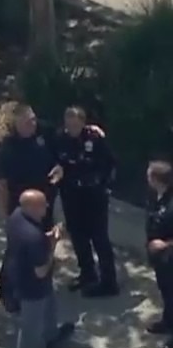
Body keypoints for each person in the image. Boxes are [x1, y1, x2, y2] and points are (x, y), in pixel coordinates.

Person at [55, 105, 118, 296]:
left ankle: (109, 282)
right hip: (72, 198)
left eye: (76, 124)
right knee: (78, 237)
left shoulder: (94, 139)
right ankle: (87, 273)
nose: (72, 128)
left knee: (99, 239)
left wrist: (103, 185)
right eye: (69, 124)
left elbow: (111, 164)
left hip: (94, 198)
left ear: (83, 123)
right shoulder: (60, 139)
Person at [4, 188, 76, 348]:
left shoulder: (16, 216)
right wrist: (53, 244)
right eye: (43, 204)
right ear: (33, 208)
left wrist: (46, 237)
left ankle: (51, 336)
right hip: (32, 287)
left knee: (49, 305)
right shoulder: (33, 238)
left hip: (19, 272)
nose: (47, 206)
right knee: (31, 327)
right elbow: (41, 271)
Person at [0, 105, 61, 227]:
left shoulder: (45, 132)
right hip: (21, 205)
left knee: (46, 238)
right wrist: (4, 212)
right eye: (27, 122)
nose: (33, 124)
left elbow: (61, 151)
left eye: (33, 119)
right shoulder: (8, 148)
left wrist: (59, 168)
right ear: (17, 124)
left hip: (44, 201)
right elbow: (1, 182)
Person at [145, 159, 173, 348]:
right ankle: (168, 322)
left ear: (156, 179)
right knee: (167, 293)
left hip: (170, 256)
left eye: (149, 175)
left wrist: (165, 244)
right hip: (161, 260)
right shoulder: (158, 197)